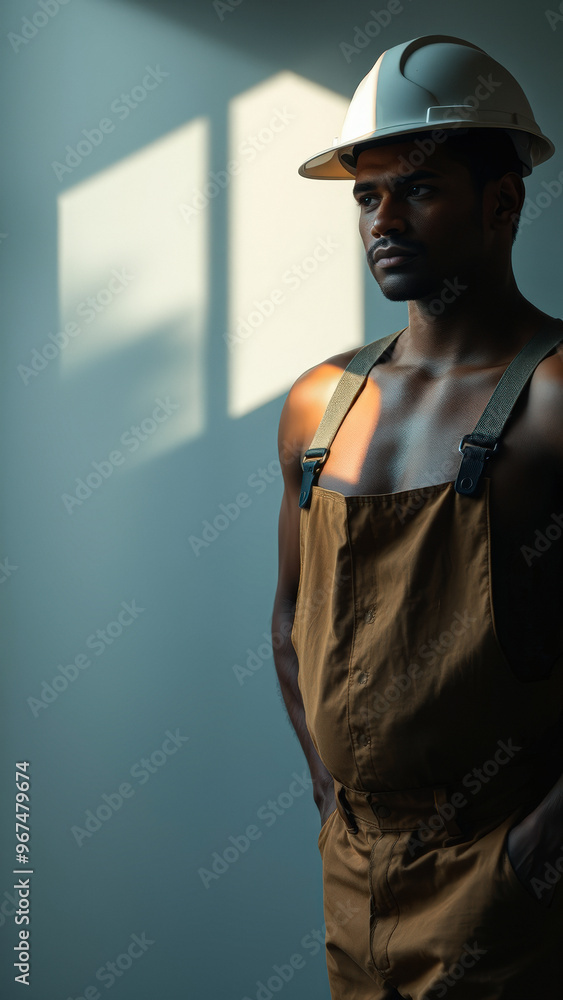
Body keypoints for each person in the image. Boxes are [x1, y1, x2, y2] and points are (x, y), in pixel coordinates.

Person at [271, 34, 563, 1000]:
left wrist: (530, 861)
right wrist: (330, 800)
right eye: (366, 194)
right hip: (349, 875)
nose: (382, 219)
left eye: (419, 189)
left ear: (501, 202)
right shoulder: (320, 404)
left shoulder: (554, 396)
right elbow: (289, 623)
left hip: (505, 884)